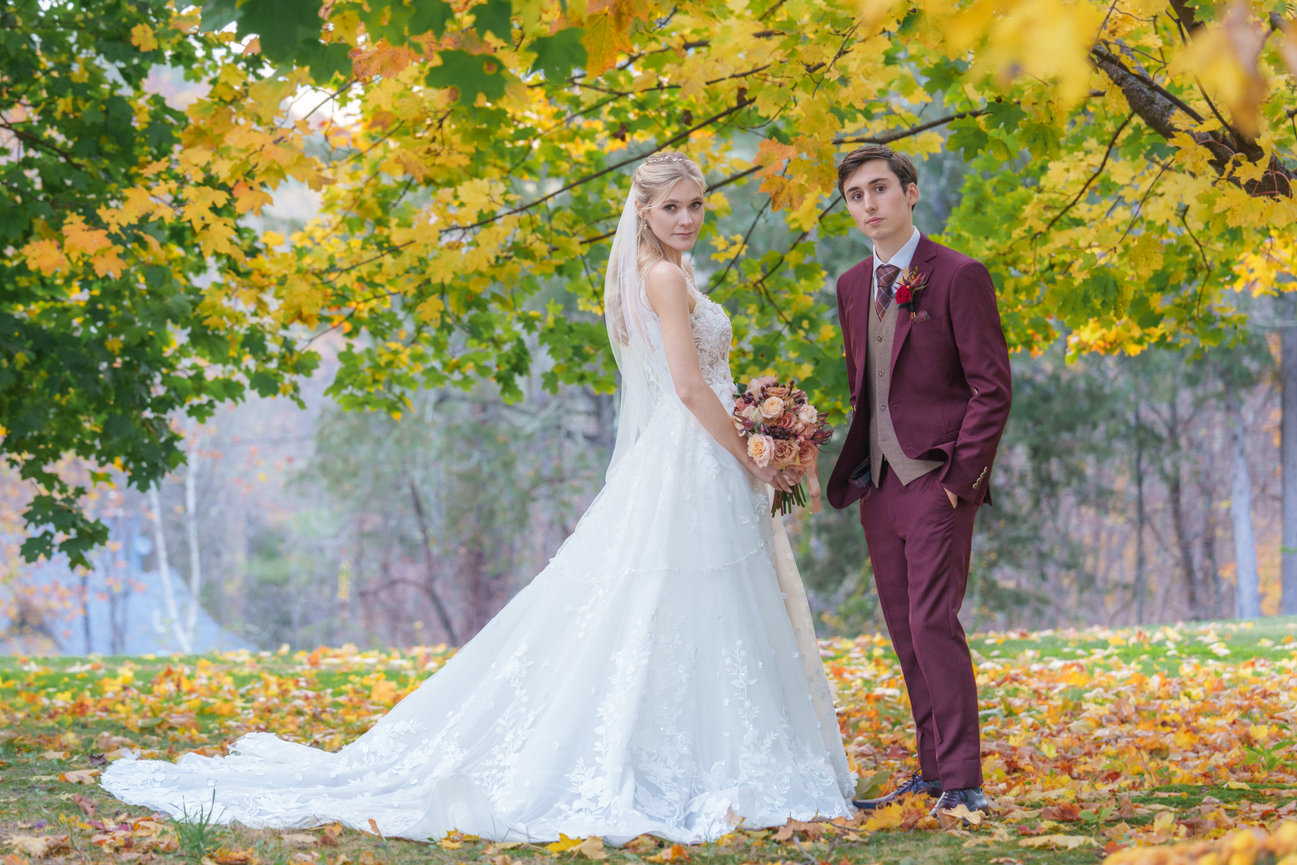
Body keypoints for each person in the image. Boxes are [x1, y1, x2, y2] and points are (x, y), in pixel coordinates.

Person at [102, 152, 855, 844]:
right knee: (672, 598)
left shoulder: (671, 274)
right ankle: (680, 756)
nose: (688, 219)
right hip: (696, 451)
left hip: (698, 454)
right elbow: (689, 389)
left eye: (696, 205)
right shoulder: (661, 277)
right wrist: (753, 455)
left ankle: (693, 747)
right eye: (673, 208)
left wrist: (762, 426)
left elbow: (696, 383)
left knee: (688, 606)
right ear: (643, 214)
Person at [825, 144, 1012, 818]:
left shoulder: (958, 275)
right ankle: (932, 773)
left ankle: (964, 782)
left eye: (880, 189)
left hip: (936, 479)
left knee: (933, 620)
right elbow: (867, 386)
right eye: (855, 195)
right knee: (905, 629)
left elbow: (991, 387)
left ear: (908, 193)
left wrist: (961, 480)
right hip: (877, 485)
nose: (868, 204)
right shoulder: (850, 285)